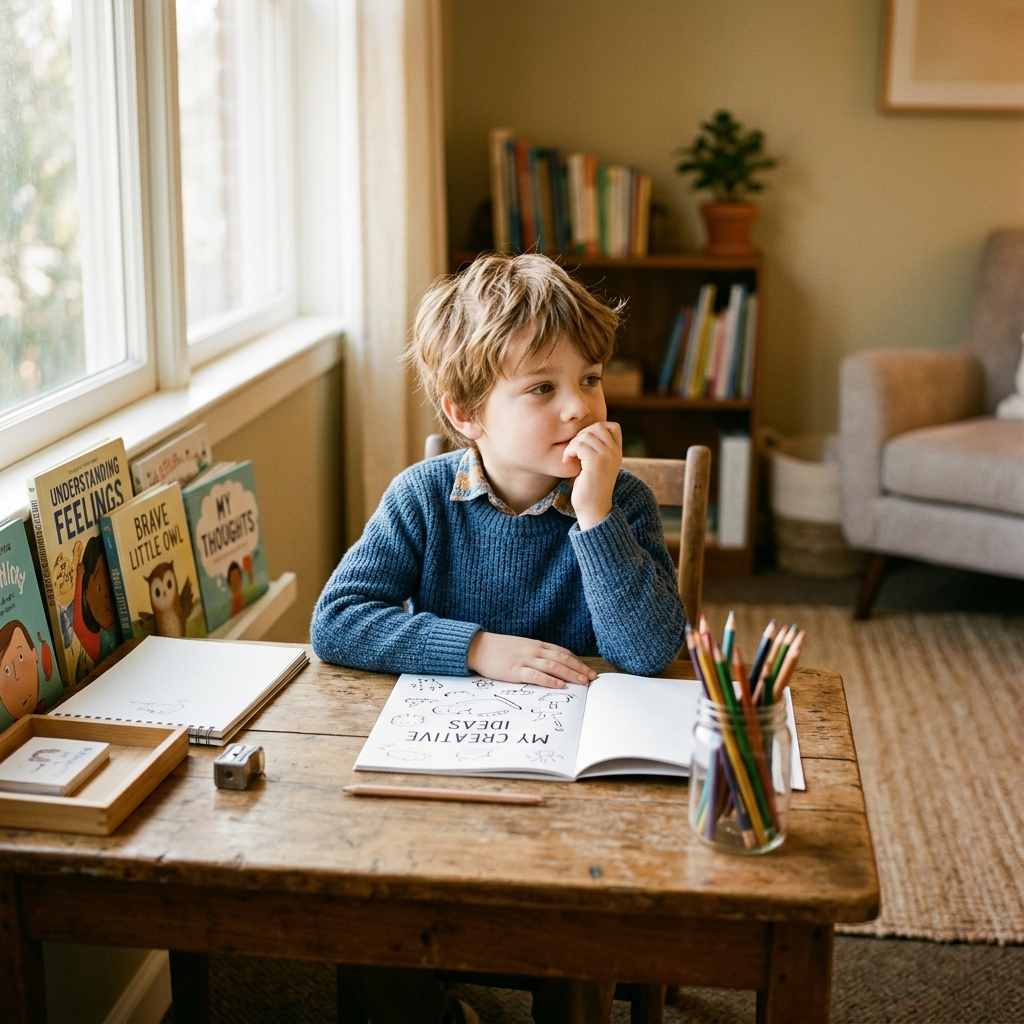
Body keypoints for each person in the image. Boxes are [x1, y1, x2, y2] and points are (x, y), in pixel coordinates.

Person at [311, 253, 686, 1024]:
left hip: (580, 792)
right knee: (358, 907)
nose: (579, 407)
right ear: (465, 414)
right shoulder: (424, 498)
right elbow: (337, 620)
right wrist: (479, 647)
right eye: (542, 388)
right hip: (452, 773)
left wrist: (593, 517)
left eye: (589, 378)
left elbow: (650, 651)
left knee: (575, 930)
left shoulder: (624, 502)